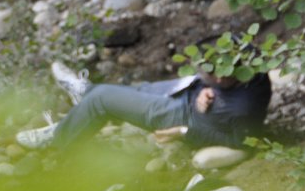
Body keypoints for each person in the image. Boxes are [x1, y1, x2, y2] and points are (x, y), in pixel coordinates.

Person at [16, 59, 271, 150]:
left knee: (102, 99)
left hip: (183, 117)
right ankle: (85, 91)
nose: (212, 77)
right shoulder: (243, 67)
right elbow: (222, 79)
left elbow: (243, 145)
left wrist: (184, 132)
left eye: (214, 77)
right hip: (185, 93)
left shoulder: (243, 109)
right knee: (139, 90)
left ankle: (60, 136)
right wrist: (208, 90)